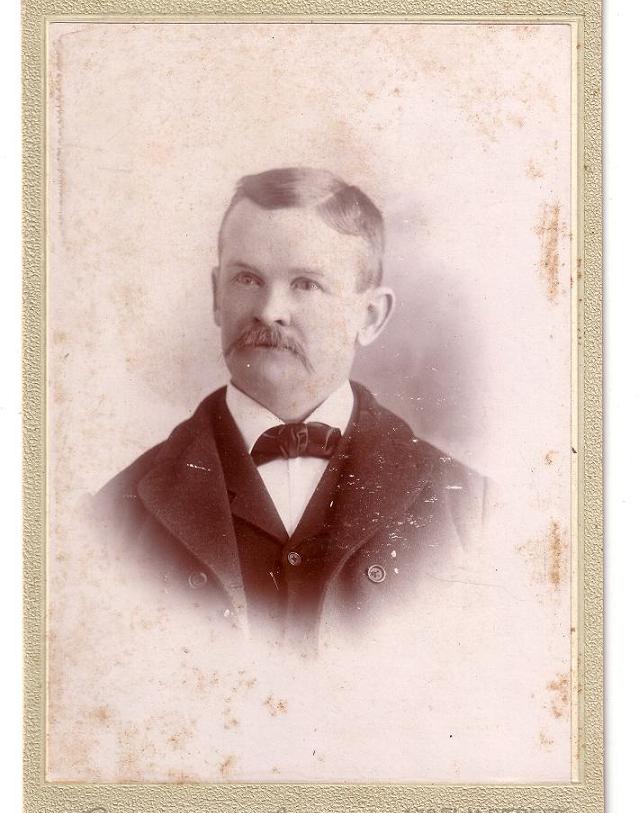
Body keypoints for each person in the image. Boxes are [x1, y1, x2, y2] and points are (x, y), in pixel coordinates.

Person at [95, 167, 489, 646]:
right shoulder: (113, 514)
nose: (269, 310)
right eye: (247, 279)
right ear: (216, 297)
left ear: (370, 316)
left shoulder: (471, 510)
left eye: (305, 284)